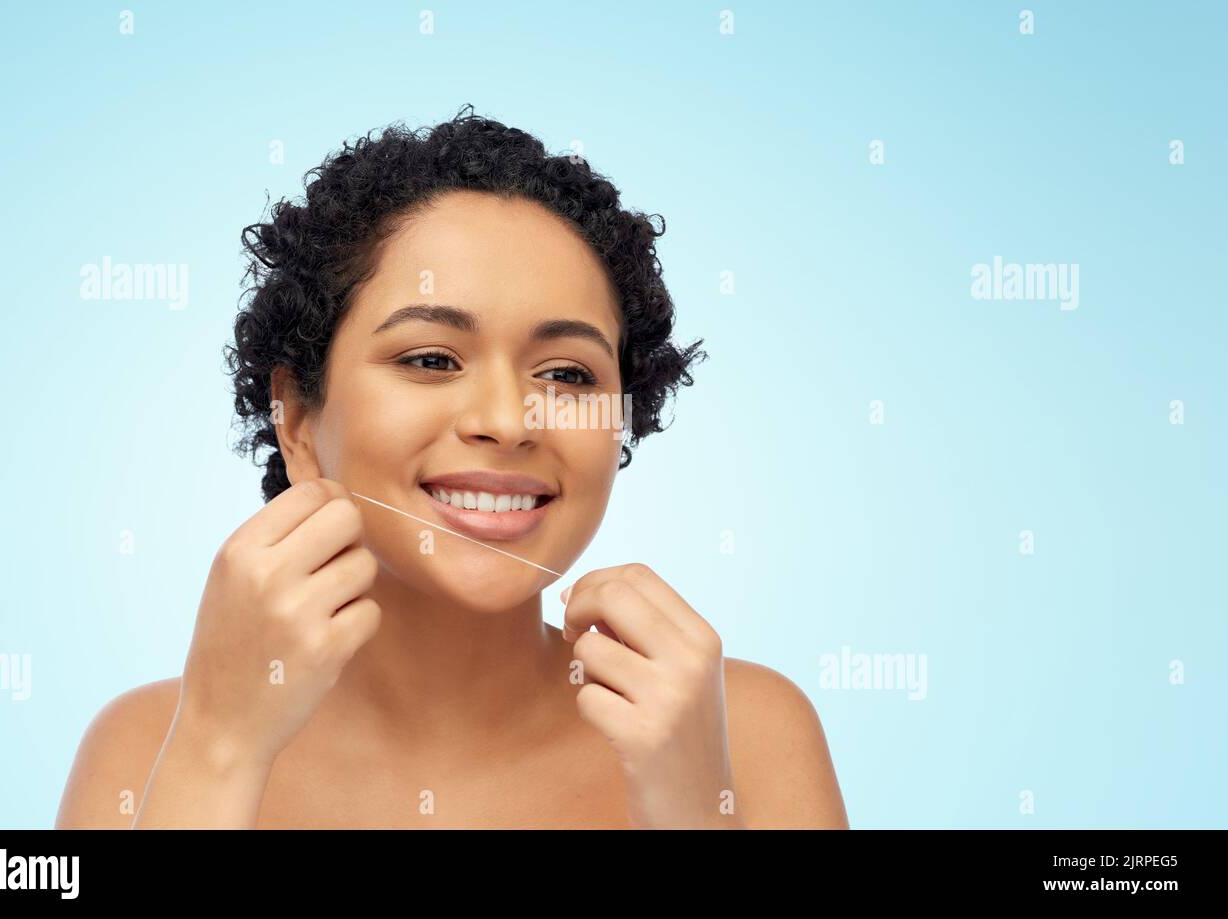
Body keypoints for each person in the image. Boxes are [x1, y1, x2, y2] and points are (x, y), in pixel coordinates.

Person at [55, 104, 848, 829]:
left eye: (567, 374)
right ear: (295, 416)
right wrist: (219, 751)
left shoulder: (749, 735)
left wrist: (691, 806)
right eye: (432, 358)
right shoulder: (146, 749)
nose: (507, 422)